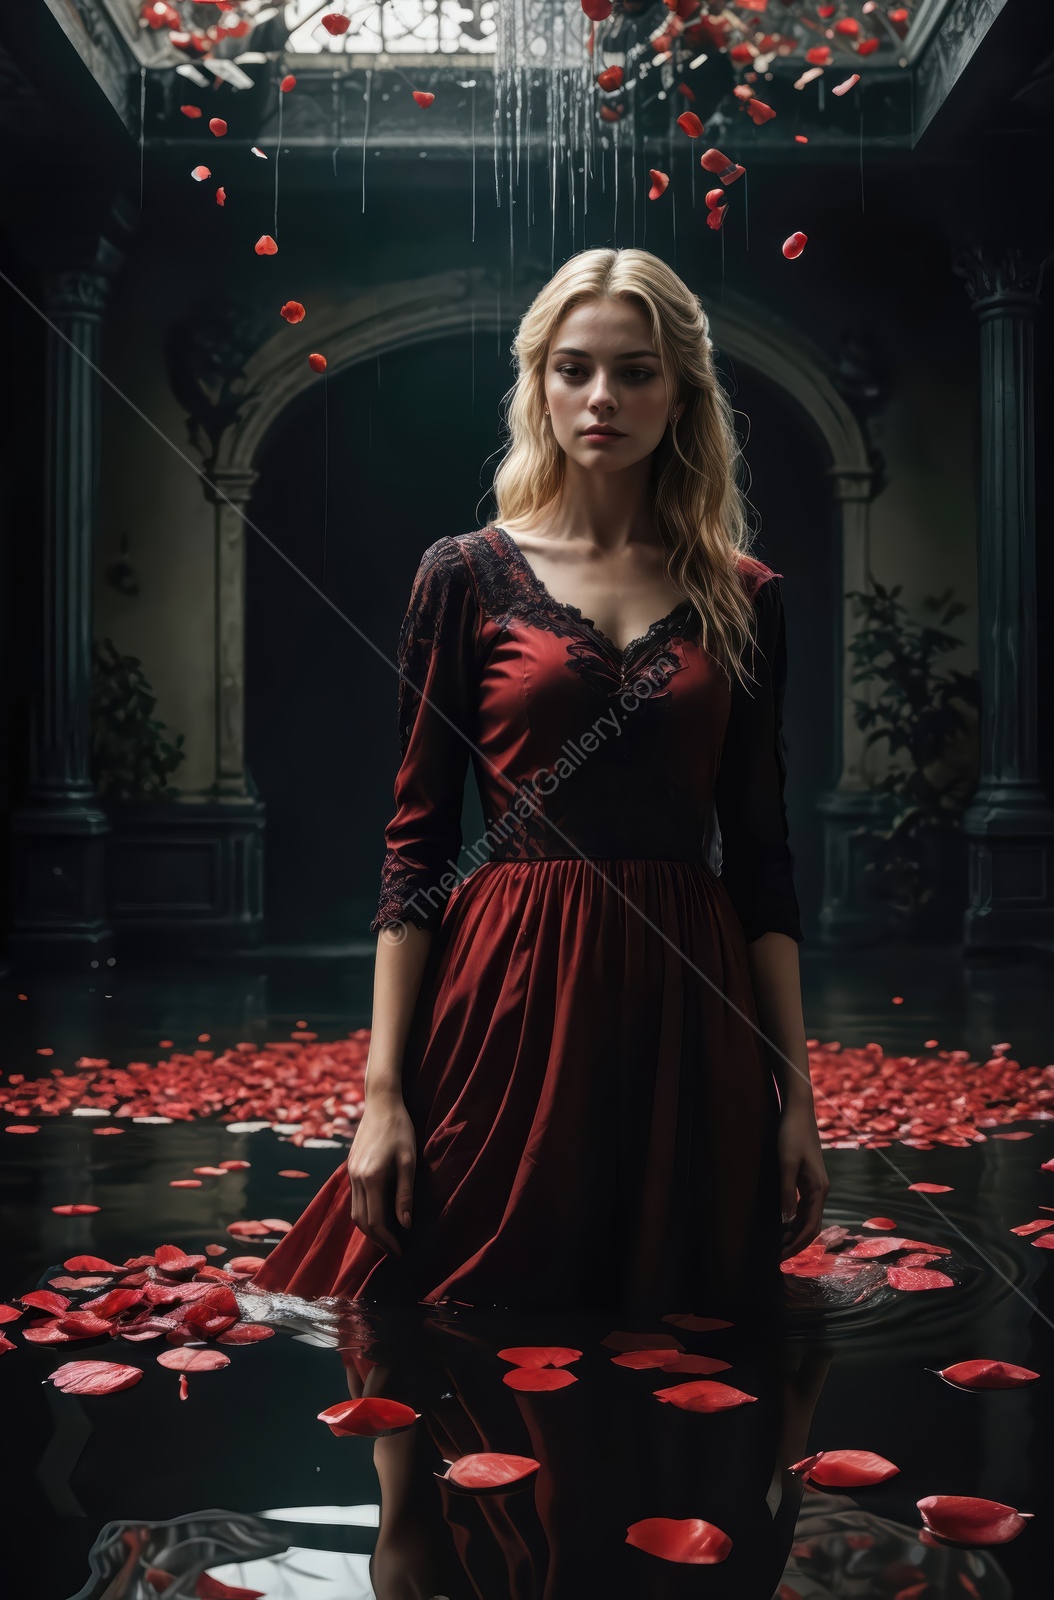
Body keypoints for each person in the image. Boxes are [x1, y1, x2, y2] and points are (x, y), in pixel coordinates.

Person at [255, 247, 828, 1314]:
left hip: (690, 1000)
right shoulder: (464, 573)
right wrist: (381, 1095)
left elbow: (762, 855)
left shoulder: (747, 596)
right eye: (573, 369)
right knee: (447, 1315)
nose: (602, 397)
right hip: (508, 989)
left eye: (637, 370)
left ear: (683, 392)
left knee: (682, 1323)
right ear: (539, 386)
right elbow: (415, 846)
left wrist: (795, 1098)